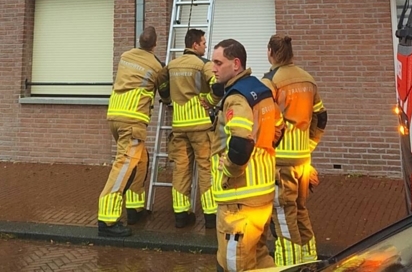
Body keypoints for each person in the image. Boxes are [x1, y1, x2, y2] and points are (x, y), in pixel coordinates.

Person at [210, 39, 283, 272]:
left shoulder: (236, 97)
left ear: (236, 64)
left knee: (235, 263)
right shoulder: (262, 90)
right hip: (262, 192)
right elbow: (279, 129)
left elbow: (241, 143)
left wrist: (230, 171)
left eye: (218, 62)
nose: (213, 68)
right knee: (259, 259)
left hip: (239, 198)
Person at [263, 35, 328, 264]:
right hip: (302, 159)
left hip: (280, 160)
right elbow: (321, 118)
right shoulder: (308, 79)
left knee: (282, 214)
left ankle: (290, 265)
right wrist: (309, 145)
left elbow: (263, 119)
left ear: (270, 51)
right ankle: (309, 260)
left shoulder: (271, 80)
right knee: (301, 210)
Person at [97, 26, 166, 237]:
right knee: (123, 167)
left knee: (141, 160)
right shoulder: (156, 67)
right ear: (155, 44)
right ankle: (107, 220)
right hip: (133, 121)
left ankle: (135, 208)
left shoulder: (125, 56)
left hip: (115, 116)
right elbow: (165, 92)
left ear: (139, 40)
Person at [158, 28, 217, 229]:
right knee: (206, 167)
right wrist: (210, 101)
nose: (205, 46)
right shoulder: (203, 64)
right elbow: (218, 86)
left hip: (179, 126)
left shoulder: (171, 65)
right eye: (203, 43)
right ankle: (210, 215)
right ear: (195, 45)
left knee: (181, 169)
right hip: (200, 125)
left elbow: (162, 85)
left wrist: (167, 100)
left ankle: (180, 215)